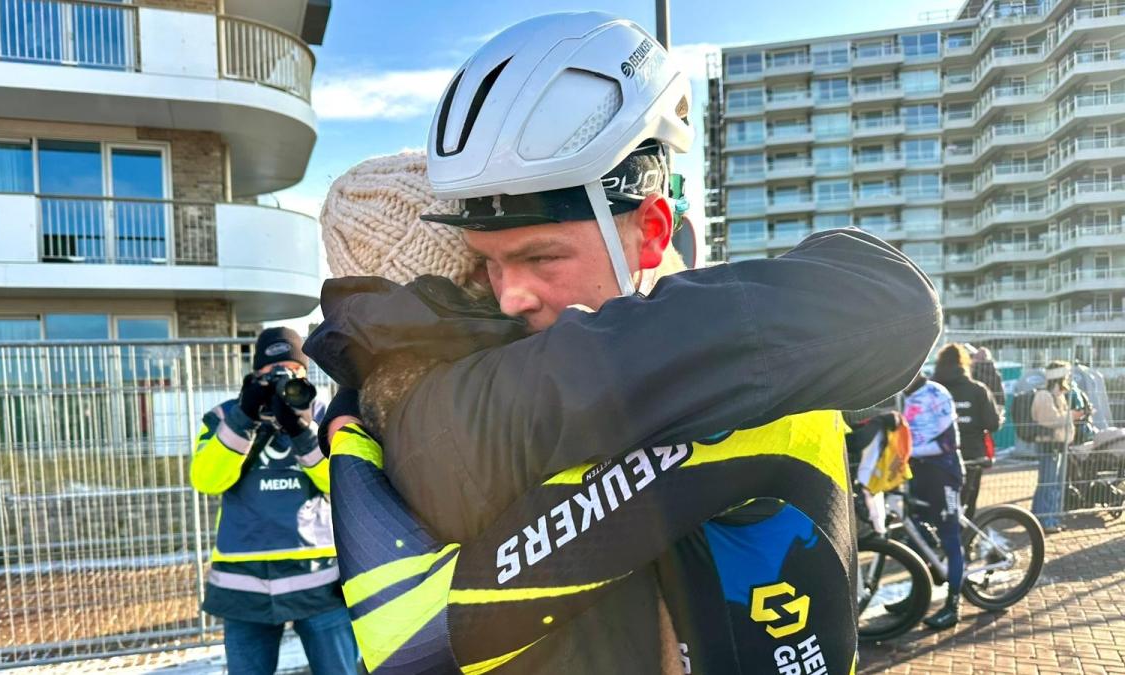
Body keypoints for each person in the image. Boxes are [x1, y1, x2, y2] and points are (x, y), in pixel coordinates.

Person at [306, 13, 942, 674]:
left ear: (651, 230)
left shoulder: (412, 404)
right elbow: (888, 306)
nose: (508, 297)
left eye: (538, 257)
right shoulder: (452, 410)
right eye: (485, 268)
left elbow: (890, 312)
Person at [189, 327, 357, 674]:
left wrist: (300, 431)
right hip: (243, 583)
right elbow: (206, 480)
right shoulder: (222, 417)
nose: (282, 380)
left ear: (305, 374)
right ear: (254, 376)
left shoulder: (325, 413)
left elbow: (341, 483)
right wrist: (244, 416)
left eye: (291, 372)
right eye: (271, 374)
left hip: (319, 580)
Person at [902, 372, 966, 629]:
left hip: (944, 473)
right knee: (913, 534)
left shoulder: (936, 393)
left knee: (951, 537)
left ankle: (953, 605)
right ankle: (917, 594)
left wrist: (908, 451)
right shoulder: (903, 395)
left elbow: (949, 442)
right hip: (919, 473)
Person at [932, 343, 1002, 521]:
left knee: (938, 500)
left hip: (937, 454)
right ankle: (965, 539)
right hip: (971, 454)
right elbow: (992, 424)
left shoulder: (932, 390)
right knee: (967, 501)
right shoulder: (977, 390)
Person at [1030, 360, 1076, 534]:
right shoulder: (1044, 395)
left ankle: (1043, 517)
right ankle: (1046, 520)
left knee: (1053, 483)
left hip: (1058, 444)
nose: (1069, 377)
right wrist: (1072, 415)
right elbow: (1049, 420)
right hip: (1048, 444)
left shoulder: (1058, 395)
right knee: (1048, 483)